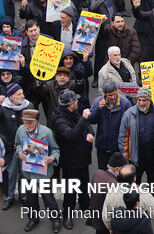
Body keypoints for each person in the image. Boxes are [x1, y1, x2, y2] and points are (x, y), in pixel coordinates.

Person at [50, 89, 94, 229]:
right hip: (70, 160)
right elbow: (71, 135)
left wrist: (90, 134)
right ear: (70, 104)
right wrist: (84, 118)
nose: (77, 102)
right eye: (75, 100)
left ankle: (84, 205)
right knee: (70, 190)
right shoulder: (60, 119)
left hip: (82, 156)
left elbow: (87, 127)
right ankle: (67, 215)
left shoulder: (74, 111)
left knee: (84, 184)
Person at [15, 109, 61, 232]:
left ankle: (56, 220)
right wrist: (19, 152)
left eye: (29, 123)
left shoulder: (47, 132)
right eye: (24, 123)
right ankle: (33, 219)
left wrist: (52, 158)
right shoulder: (20, 130)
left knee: (48, 199)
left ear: (36, 121)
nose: (26, 126)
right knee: (31, 199)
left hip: (43, 173)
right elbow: (18, 144)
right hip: (28, 172)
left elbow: (56, 149)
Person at [117, 87, 154, 183]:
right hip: (136, 157)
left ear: (150, 100)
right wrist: (124, 150)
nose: (141, 103)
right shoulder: (129, 114)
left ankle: (152, 198)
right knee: (135, 183)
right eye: (139, 100)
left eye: (144, 100)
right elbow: (123, 134)